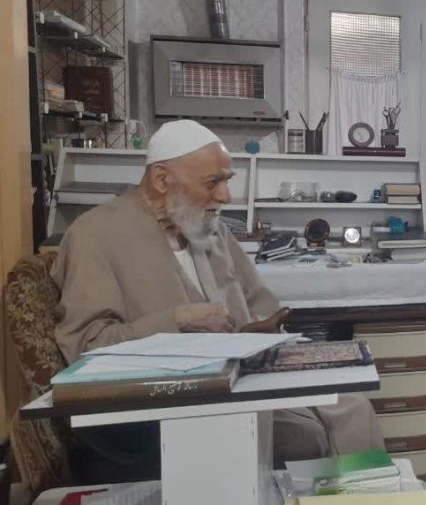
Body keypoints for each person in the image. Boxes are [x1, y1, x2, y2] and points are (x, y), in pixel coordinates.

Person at [52, 120, 384, 483]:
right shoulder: (95, 235)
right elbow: (87, 346)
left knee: (354, 409)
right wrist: (179, 319)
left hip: (245, 381)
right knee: (305, 436)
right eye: (213, 183)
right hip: (169, 404)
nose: (225, 197)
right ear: (162, 180)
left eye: (227, 181)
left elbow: (259, 302)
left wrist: (260, 331)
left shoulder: (211, 229)